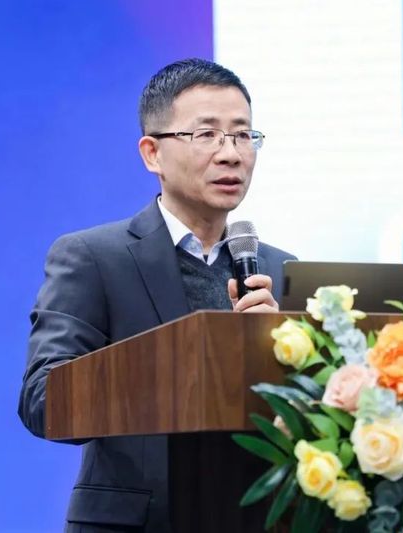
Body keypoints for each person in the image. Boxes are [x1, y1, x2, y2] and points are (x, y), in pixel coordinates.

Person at [18, 58, 296, 532]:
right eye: (206, 134)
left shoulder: (279, 269)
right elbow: (43, 401)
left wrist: (278, 364)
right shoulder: (93, 257)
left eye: (243, 135)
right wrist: (189, 362)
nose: (231, 154)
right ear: (152, 154)